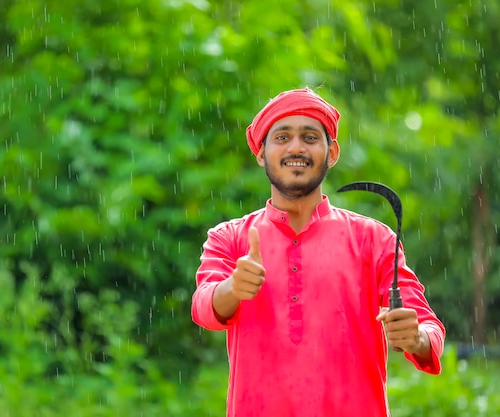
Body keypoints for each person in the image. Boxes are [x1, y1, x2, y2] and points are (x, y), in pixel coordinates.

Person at [191, 88, 445, 417]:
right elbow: (203, 306)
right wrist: (232, 288)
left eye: (310, 137)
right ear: (260, 153)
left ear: (332, 152)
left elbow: (428, 328)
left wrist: (416, 338)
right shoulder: (230, 237)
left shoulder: (374, 239)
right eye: (282, 137)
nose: (296, 147)